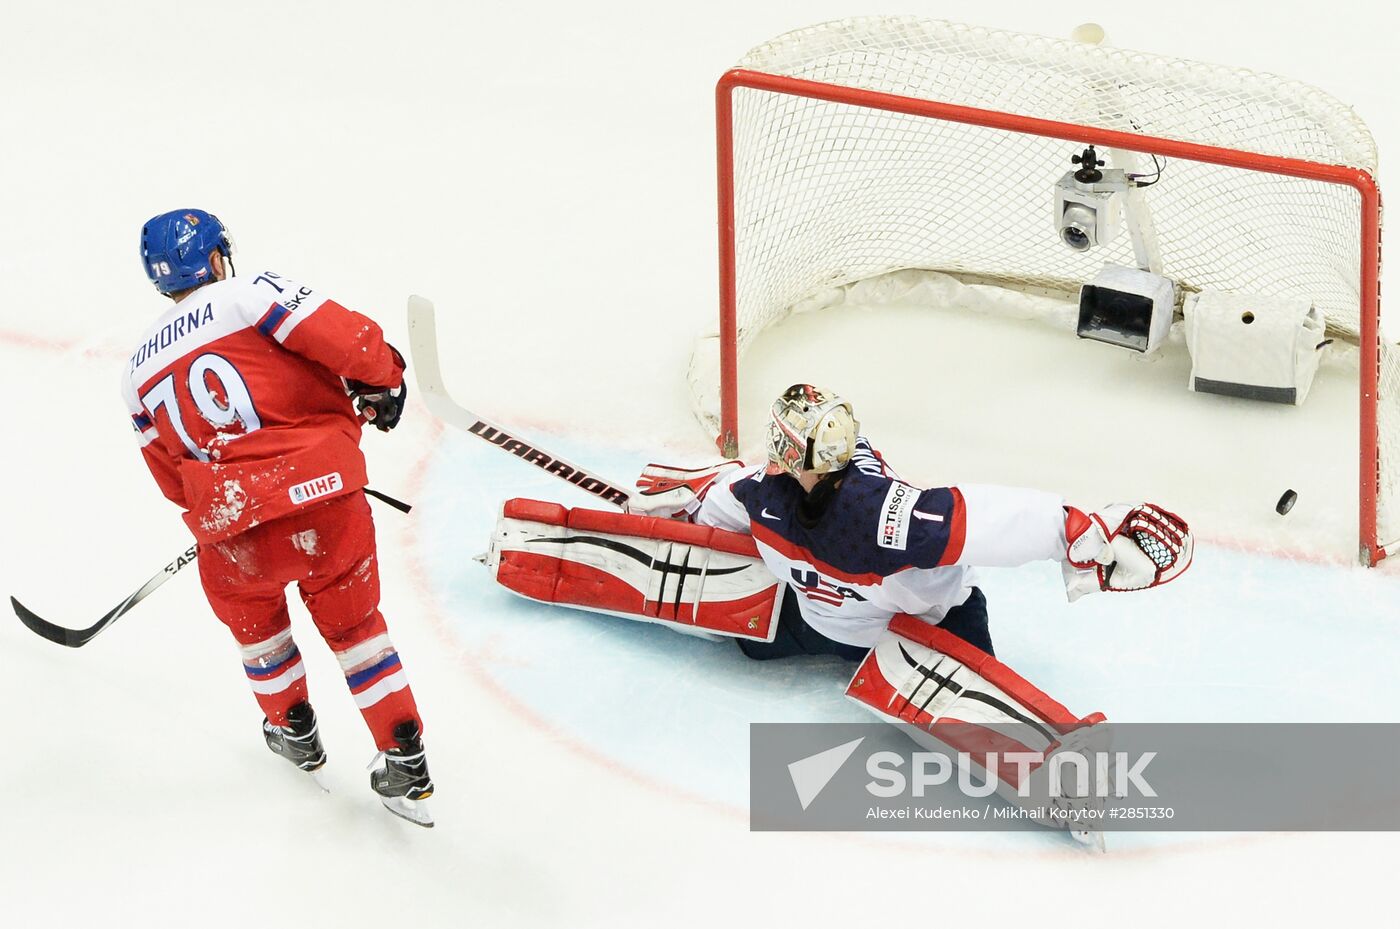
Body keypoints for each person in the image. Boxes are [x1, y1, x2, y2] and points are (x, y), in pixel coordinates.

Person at [121, 209, 433, 826]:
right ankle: (404, 758)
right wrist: (386, 377)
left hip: (232, 528)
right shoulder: (246, 294)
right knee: (355, 629)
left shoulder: (134, 374)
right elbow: (349, 342)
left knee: (259, 630)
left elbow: (169, 478)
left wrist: (224, 507)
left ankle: (294, 733)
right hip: (325, 501)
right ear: (214, 259)